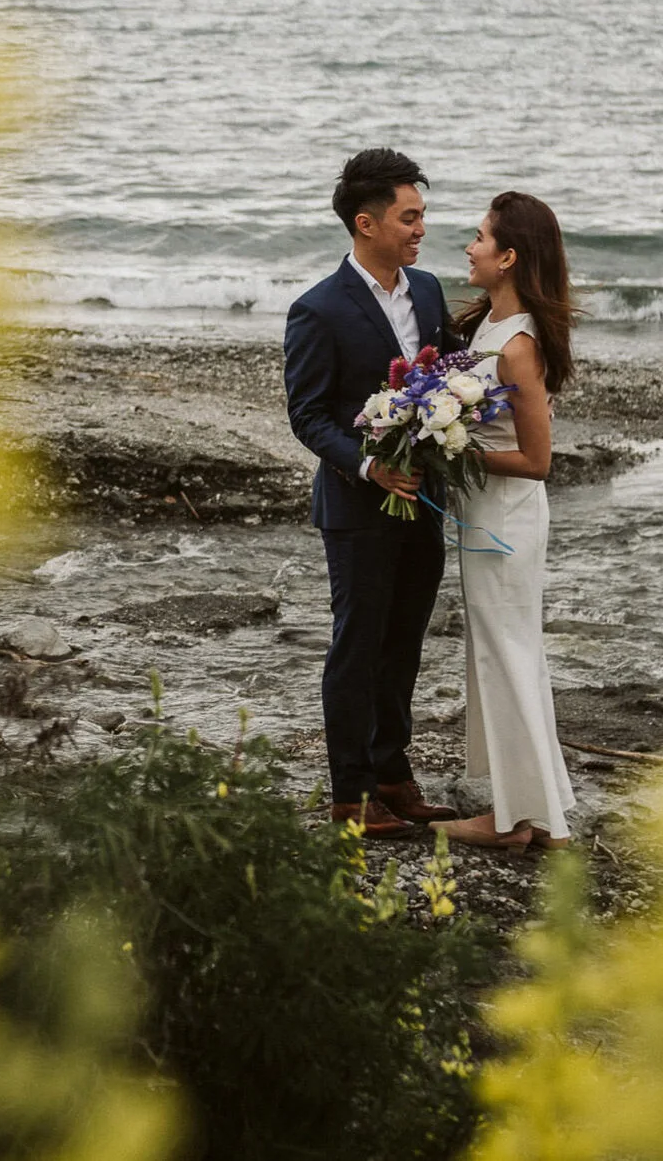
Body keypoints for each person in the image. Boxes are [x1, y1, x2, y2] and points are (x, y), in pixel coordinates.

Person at [282, 148, 463, 839]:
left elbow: (449, 372)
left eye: (422, 215)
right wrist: (369, 468)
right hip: (358, 508)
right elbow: (309, 417)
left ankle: (393, 775)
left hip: (423, 500)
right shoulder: (318, 309)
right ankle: (351, 796)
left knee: (404, 642)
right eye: (409, 217)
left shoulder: (428, 291)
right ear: (367, 223)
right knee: (357, 648)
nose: (421, 228)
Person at [431, 191, 578, 851]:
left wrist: (452, 449)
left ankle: (516, 822)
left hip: (508, 521)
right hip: (483, 514)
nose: (470, 248)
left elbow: (538, 461)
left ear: (509, 256)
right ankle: (534, 811)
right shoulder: (486, 327)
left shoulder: (517, 346)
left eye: (480, 237)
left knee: (509, 655)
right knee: (500, 653)